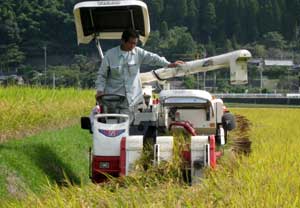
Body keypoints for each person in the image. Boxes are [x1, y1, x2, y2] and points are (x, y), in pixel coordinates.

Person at [95, 29, 184, 122]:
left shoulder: (138, 53)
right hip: (113, 99)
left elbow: (153, 58)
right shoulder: (110, 55)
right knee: (111, 124)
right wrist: (100, 90)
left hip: (131, 99)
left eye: (135, 43)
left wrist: (168, 64)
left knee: (126, 125)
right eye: (130, 43)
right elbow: (102, 75)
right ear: (123, 41)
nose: (133, 46)